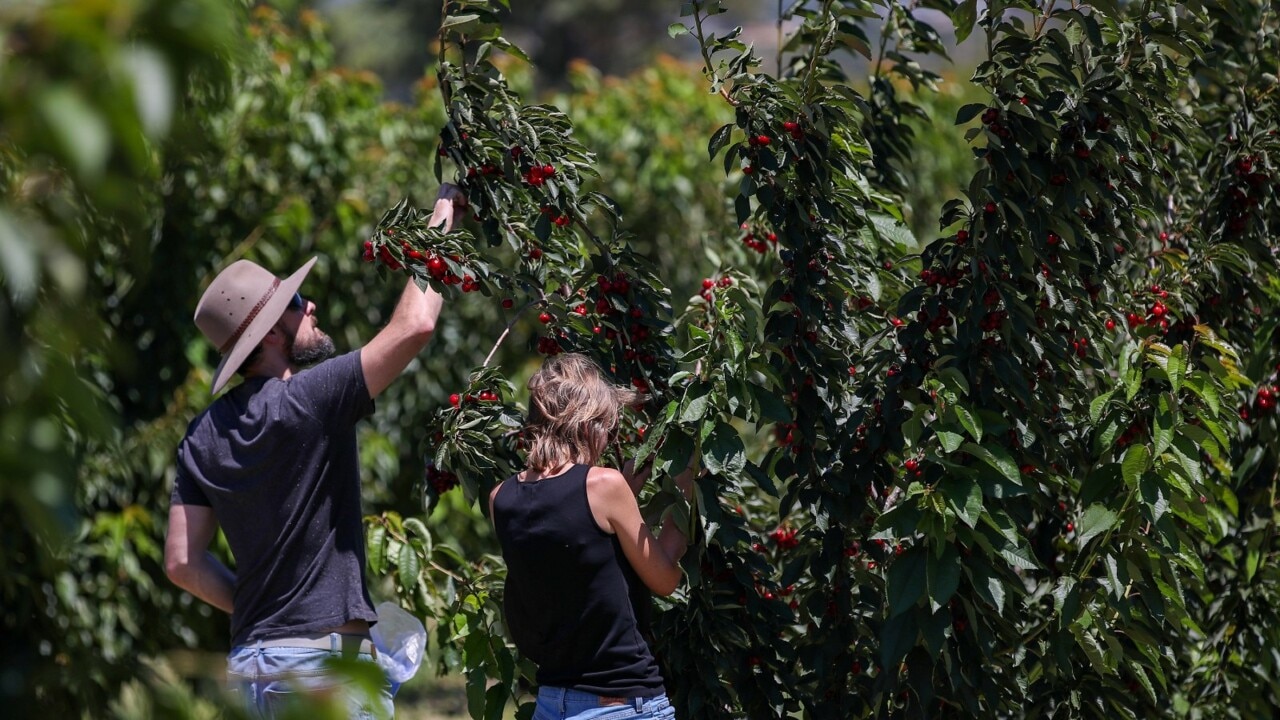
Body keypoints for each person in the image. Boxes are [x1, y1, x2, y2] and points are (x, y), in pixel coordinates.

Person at [164, 185, 466, 718]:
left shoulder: (200, 436)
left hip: (254, 667)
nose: (312, 307)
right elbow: (415, 325)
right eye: (297, 304)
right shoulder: (309, 399)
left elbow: (182, 562)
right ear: (273, 331)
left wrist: (267, 612)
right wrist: (441, 224)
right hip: (323, 673)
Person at [489, 353, 695, 720]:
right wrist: (685, 492)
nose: (608, 436)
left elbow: (573, 547)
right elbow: (665, 580)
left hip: (552, 703)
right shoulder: (603, 486)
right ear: (588, 424)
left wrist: (625, 488)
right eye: (606, 425)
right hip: (622, 705)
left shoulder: (500, 498)